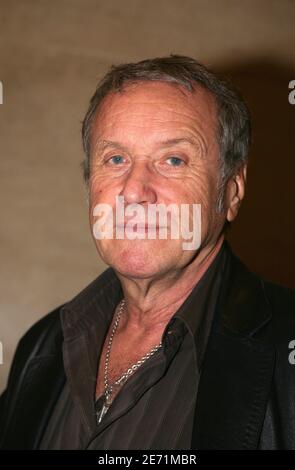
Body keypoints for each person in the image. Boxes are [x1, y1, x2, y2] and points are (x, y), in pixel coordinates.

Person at [0, 55, 294, 450]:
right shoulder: (41, 346)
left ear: (231, 192)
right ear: (90, 185)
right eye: (116, 159)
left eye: (173, 160)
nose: (135, 191)